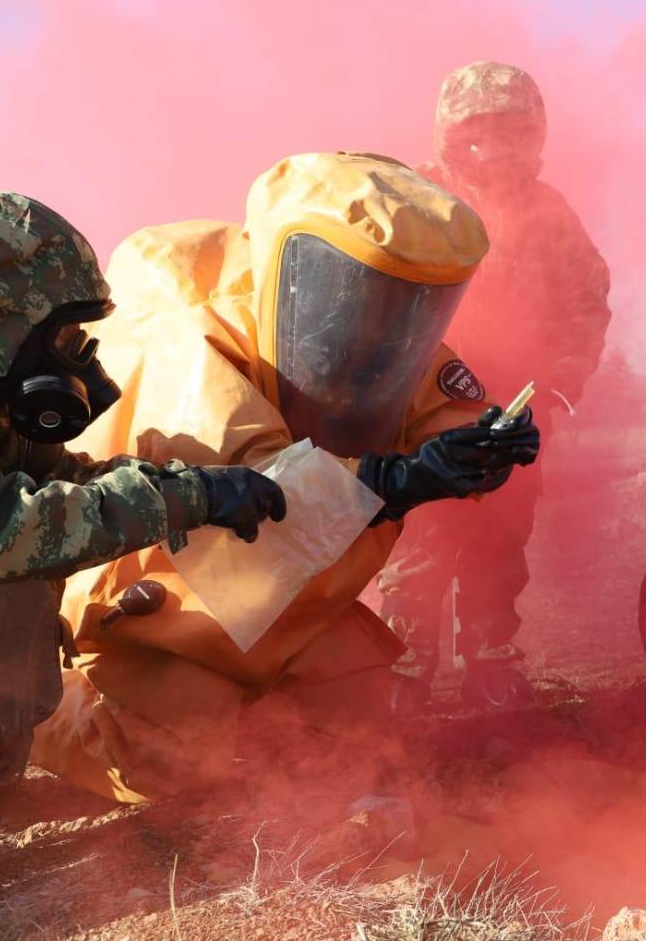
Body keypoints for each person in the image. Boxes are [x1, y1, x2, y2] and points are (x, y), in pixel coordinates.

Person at [29, 153, 539, 802]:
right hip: (167, 615)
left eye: (411, 301)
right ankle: (44, 709)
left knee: (363, 733)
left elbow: (437, 406)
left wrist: (482, 446)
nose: (387, 322)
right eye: (372, 292)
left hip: (290, 610)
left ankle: (250, 714)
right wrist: (399, 480)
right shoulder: (194, 334)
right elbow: (257, 493)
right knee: (162, 761)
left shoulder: (381, 332)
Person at [0, 191, 286, 786]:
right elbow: (5, 533)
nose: (76, 356)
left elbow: (54, 484)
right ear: (1, 323)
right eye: (63, 335)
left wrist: (191, 485)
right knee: (8, 585)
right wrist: (188, 498)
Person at [392, 61, 610, 694]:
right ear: (450, 133)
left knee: (502, 533)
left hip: (516, 400)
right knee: (423, 531)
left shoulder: (548, 212)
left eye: (510, 131)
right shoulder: (415, 195)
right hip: (424, 401)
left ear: (532, 135)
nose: (492, 146)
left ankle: (491, 662)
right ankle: (406, 667)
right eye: (477, 131)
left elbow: (586, 300)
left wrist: (562, 384)